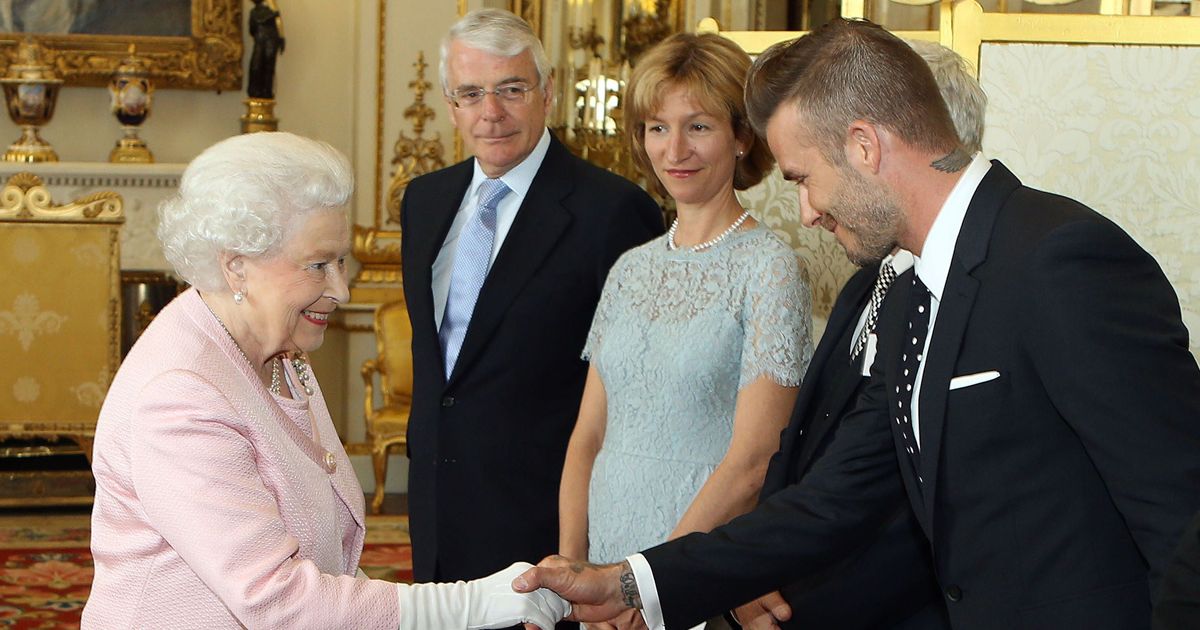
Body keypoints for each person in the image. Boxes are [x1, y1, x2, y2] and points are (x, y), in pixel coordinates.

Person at [514, 19, 1200, 630]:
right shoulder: (905, 295)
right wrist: (633, 581)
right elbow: (835, 499)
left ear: (865, 146)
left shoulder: (1059, 259)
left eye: (804, 177)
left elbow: (1183, 514)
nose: (807, 211)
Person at [83, 132, 569, 629]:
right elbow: (277, 598)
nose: (340, 288)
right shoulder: (178, 395)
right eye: (318, 265)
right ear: (236, 266)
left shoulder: (280, 351)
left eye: (340, 261)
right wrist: (477, 604)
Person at [399, 8, 663, 589]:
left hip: (549, 525)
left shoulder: (613, 212)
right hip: (438, 512)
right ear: (451, 105)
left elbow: (637, 391)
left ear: (549, 93)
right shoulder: (422, 202)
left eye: (511, 89)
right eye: (471, 93)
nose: (490, 113)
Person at [557, 32, 812, 628]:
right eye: (656, 127)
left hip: (695, 566)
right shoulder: (629, 268)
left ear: (742, 135)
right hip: (603, 567)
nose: (675, 149)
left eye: (697, 126)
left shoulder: (770, 267)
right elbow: (587, 437)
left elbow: (753, 460)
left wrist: (648, 586)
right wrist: (575, 574)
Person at [732, 39, 987, 630]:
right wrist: (750, 571)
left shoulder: (1028, 270)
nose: (807, 212)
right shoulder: (868, 286)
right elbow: (809, 456)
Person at [247, 0, 284, 99]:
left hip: (270, 41)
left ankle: (266, 91)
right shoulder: (255, 12)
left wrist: (281, 38)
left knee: (268, 66)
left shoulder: (270, 11)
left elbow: (277, 26)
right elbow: (254, 26)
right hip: (260, 41)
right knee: (256, 66)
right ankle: (255, 91)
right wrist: (273, 16)